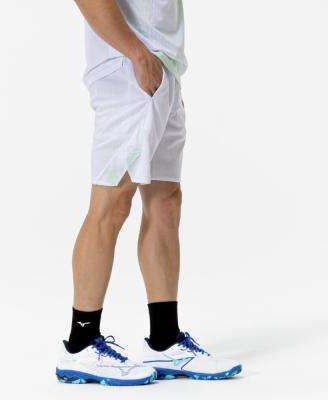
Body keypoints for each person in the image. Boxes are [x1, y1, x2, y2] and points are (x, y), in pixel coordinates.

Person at [56, 0, 242, 386]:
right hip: (129, 72)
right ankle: (81, 343)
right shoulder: (134, 60)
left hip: (163, 69)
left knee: (165, 201)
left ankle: (165, 340)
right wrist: (137, 53)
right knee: (111, 203)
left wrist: (157, 64)